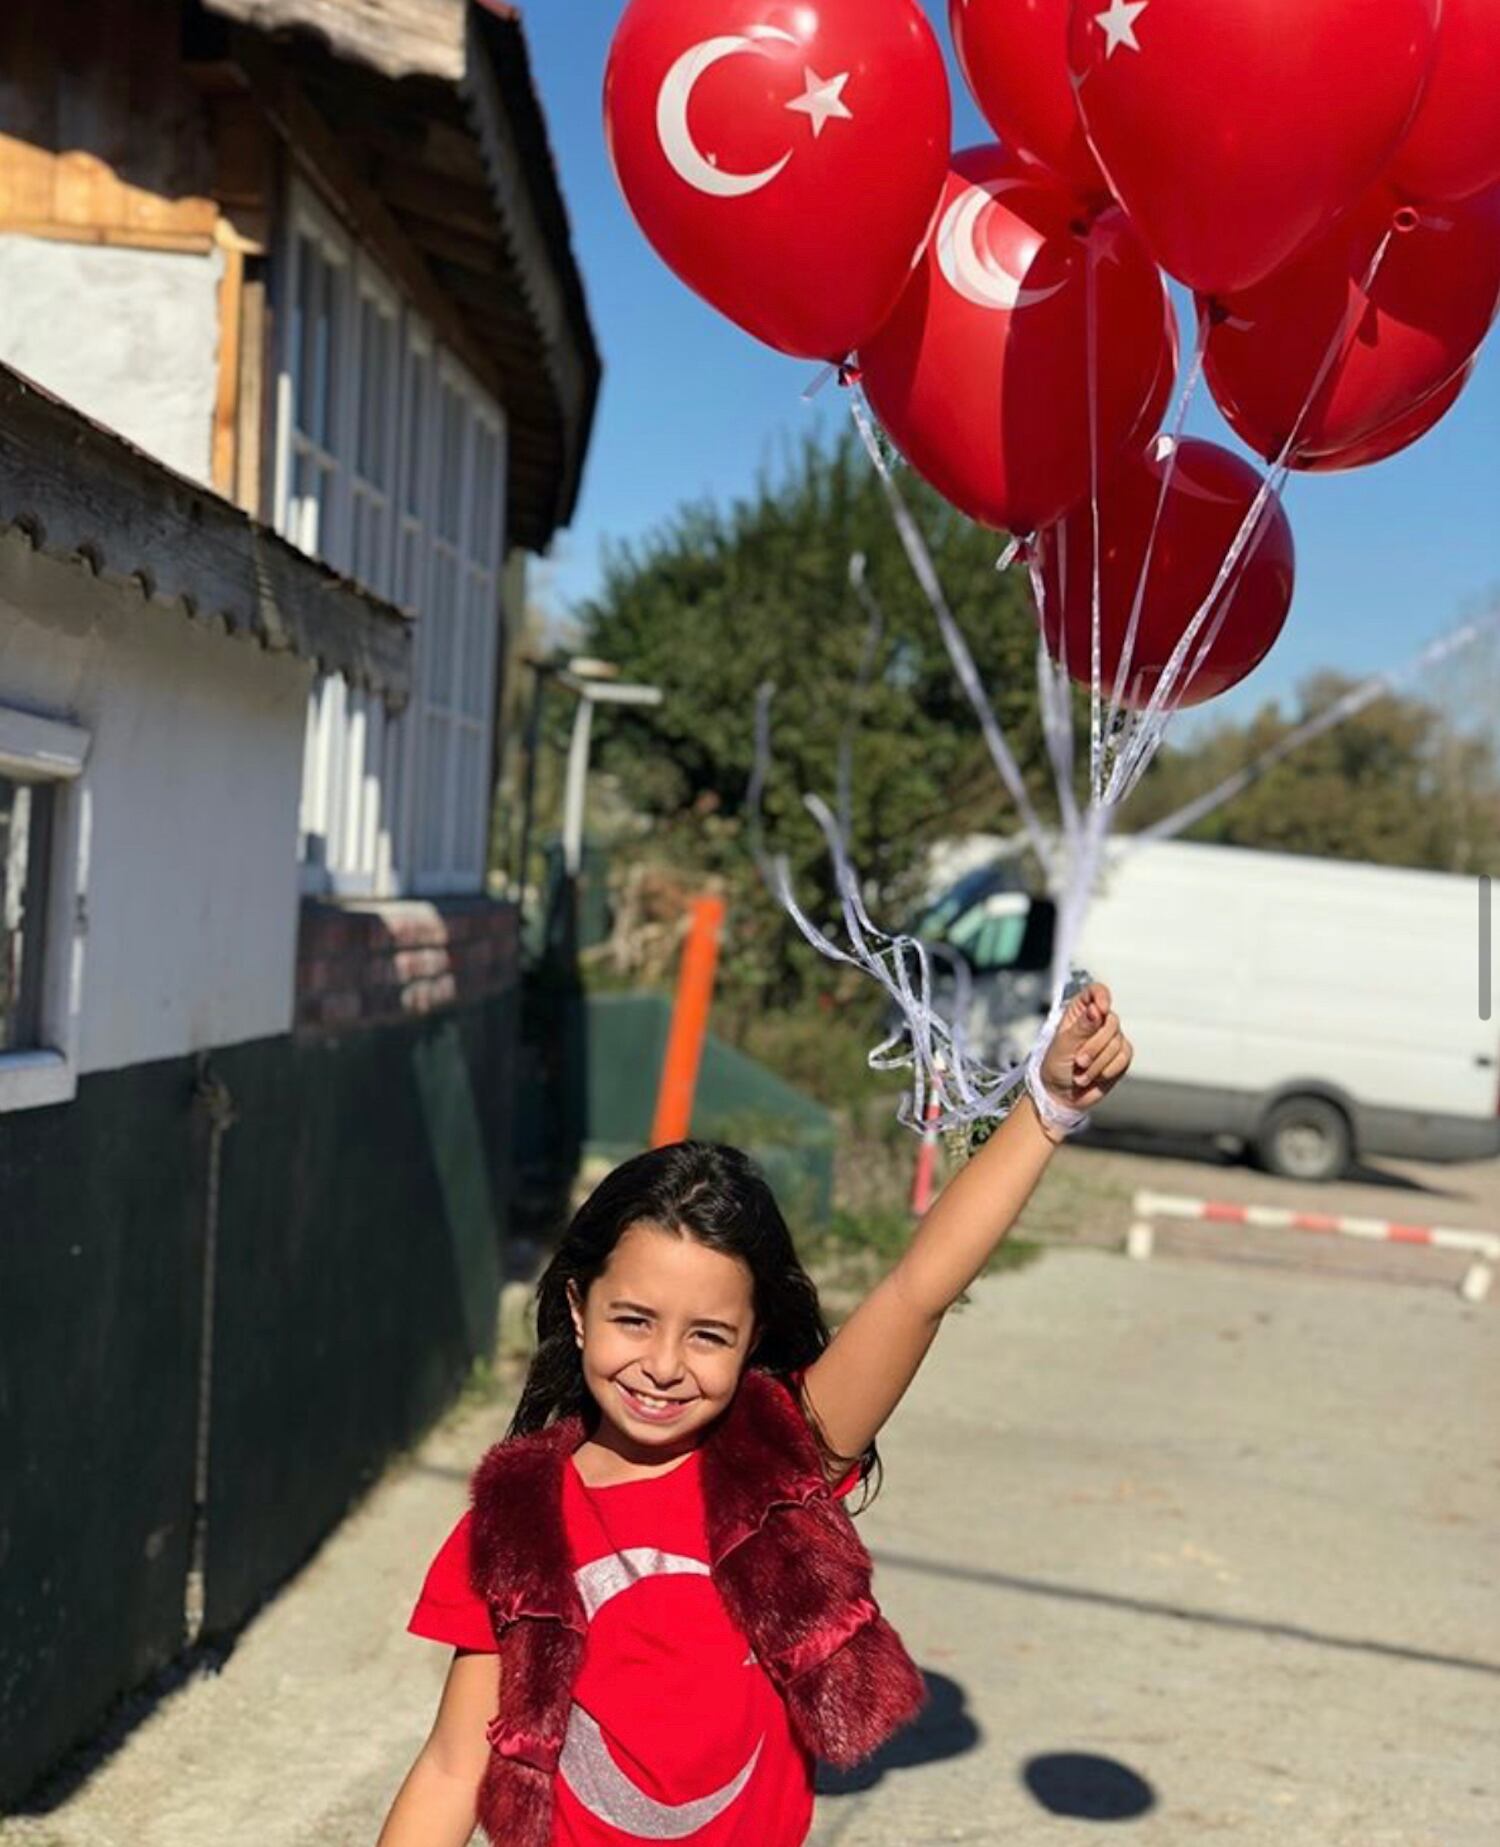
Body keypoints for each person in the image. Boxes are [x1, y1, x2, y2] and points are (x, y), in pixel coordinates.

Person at [377, 982, 1132, 1847]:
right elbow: (449, 1767)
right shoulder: (517, 1517)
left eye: (706, 1335)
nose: (663, 1365)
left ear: (753, 1338)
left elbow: (920, 1288)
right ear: (580, 1308)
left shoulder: (783, 1457)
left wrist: (1046, 1110)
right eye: (634, 1319)